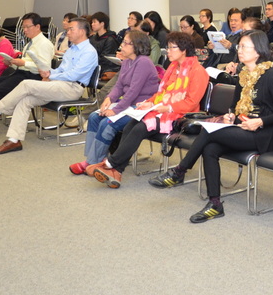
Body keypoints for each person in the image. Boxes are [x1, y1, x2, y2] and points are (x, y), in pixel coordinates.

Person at [148, 30, 273, 224]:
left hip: (265, 134)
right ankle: (215, 204)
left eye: (244, 47)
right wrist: (232, 114)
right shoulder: (243, 74)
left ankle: (180, 171)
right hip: (243, 127)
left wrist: (260, 121)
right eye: (239, 46)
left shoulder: (270, 76)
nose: (239, 51)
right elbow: (235, 104)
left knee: (208, 131)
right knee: (210, 148)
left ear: (258, 51)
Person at [89, 32, 209, 186]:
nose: (168, 51)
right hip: (161, 110)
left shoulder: (198, 71)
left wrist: (167, 107)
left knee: (140, 128)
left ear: (184, 50)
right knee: (131, 124)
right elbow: (160, 93)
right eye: (168, 47)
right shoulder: (173, 67)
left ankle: (110, 165)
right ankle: (116, 172)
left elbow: (191, 103)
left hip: (180, 115)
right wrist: (149, 103)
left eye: (172, 48)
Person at [0, 17, 98, 155]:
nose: (67, 32)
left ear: (82, 31)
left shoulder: (89, 52)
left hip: (72, 88)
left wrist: (50, 75)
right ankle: (14, 140)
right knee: (25, 100)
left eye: (71, 29)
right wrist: (50, 73)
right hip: (59, 85)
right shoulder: (72, 49)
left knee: (26, 84)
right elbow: (61, 70)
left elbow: (73, 75)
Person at [69, 30, 159, 174]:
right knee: (94, 117)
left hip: (141, 107)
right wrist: (109, 99)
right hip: (129, 105)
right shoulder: (127, 61)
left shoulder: (143, 62)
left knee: (108, 123)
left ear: (136, 45)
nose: (121, 46)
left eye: (125, 43)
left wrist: (115, 110)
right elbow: (119, 86)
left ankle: (91, 163)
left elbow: (133, 92)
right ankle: (94, 159)